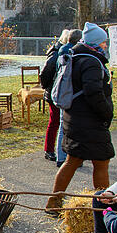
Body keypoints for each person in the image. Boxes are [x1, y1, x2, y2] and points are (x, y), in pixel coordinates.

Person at [45, 22, 113, 212]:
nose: (105, 45)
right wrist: (106, 112)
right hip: (89, 121)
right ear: (96, 43)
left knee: (72, 161)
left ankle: (54, 202)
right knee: (101, 162)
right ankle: (102, 207)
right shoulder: (91, 62)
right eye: (103, 42)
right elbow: (93, 93)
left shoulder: (75, 56)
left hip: (74, 118)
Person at [40, 29, 81, 163]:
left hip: (58, 91)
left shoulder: (61, 52)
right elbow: (45, 74)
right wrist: (49, 87)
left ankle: (60, 151)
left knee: (61, 122)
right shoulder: (56, 53)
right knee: (55, 122)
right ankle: (49, 150)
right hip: (55, 92)